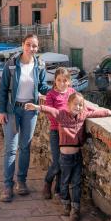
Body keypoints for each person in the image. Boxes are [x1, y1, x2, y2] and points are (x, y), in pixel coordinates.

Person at [25, 93, 111, 221]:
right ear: (68, 104)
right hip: (65, 158)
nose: (78, 106)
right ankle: (66, 204)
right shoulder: (62, 115)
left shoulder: (82, 115)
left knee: (77, 183)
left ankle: (75, 209)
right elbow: (51, 109)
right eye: (75, 104)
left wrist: (110, 112)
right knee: (64, 182)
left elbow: (96, 113)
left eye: (80, 104)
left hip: (77, 156)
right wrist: (36, 107)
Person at [0, 33, 51, 202]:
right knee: (10, 149)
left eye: (34, 46)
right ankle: (7, 185)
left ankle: (21, 182)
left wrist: (59, 91)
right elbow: (2, 89)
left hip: (30, 110)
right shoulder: (12, 65)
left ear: (37, 48)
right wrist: (1, 110)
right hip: (12, 111)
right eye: (28, 45)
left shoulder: (40, 65)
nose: (31, 48)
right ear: (23, 45)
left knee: (25, 147)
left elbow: (42, 86)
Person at [42, 68, 75, 201]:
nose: (62, 83)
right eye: (59, 80)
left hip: (68, 134)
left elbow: (81, 106)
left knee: (65, 161)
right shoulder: (51, 95)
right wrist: (66, 119)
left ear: (69, 82)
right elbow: (51, 114)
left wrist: (105, 111)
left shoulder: (72, 93)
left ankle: (59, 189)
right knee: (58, 163)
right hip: (56, 132)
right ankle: (47, 182)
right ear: (55, 81)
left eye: (65, 80)